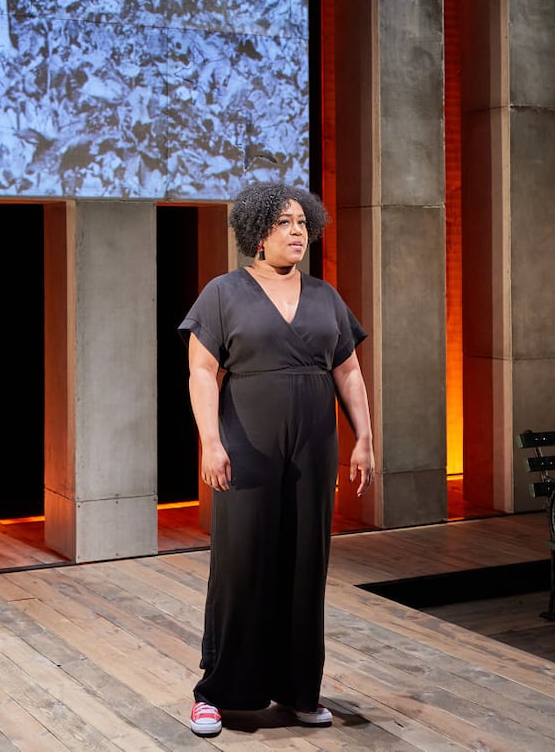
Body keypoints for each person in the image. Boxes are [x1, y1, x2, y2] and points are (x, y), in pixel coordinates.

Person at [178, 181, 375, 737]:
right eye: (285, 223)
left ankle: (297, 690)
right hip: (248, 441)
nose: (297, 232)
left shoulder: (325, 296)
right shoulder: (223, 292)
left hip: (314, 445)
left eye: (303, 223)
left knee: (305, 562)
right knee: (242, 561)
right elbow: (200, 372)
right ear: (258, 234)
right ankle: (216, 691)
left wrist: (364, 437)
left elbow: (348, 371)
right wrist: (210, 441)